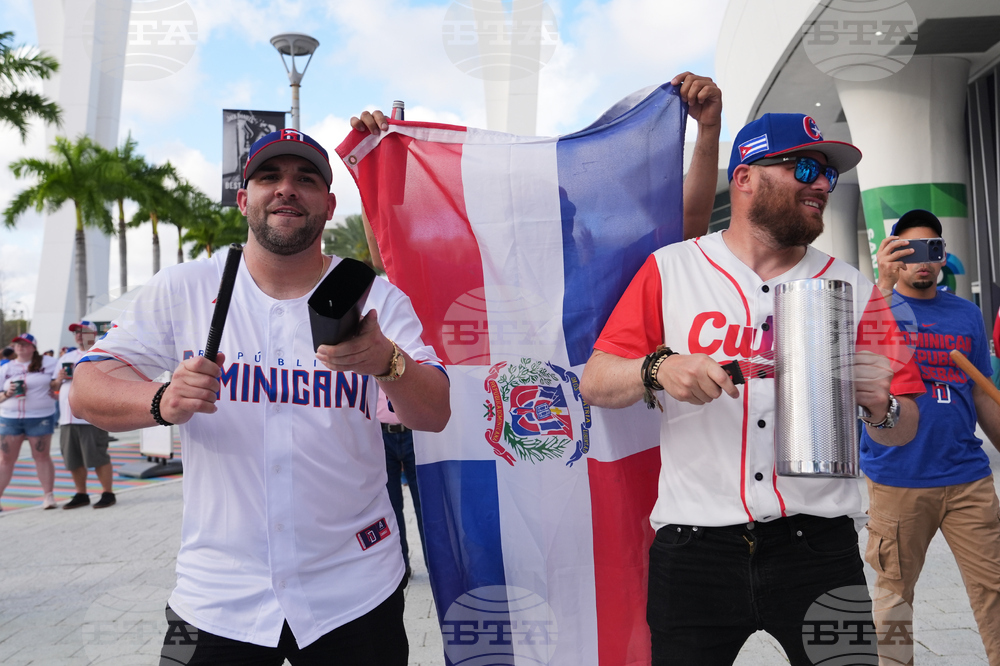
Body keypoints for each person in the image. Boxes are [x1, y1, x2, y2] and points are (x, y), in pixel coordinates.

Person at [71, 129, 451, 665]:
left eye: (306, 180)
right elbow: (85, 388)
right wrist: (161, 400)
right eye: (269, 177)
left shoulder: (374, 297)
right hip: (213, 594)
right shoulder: (183, 287)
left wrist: (387, 361)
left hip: (356, 589)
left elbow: (434, 412)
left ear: (329, 202)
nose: (286, 190)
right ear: (243, 198)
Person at [578, 112, 926, 665]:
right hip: (696, 548)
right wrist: (659, 367)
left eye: (829, 177)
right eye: (805, 168)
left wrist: (880, 405)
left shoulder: (853, 287)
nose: (821, 185)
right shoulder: (672, 269)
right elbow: (595, 379)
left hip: (818, 547)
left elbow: (903, 429)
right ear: (744, 178)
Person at [866, 208, 1000, 666]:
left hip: (968, 477)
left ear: (944, 256)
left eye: (933, 250)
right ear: (892, 255)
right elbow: (856, 371)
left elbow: (982, 396)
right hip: (898, 478)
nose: (922, 261)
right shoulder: (875, 308)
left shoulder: (966, 316)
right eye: (910, 250)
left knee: (995, 590)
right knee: (894, 600)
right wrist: (881, 286)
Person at [51, 321, 115, 509]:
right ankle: (81, 493)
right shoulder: (66, 357)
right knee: (73, 458)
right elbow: (53, 385)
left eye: (83, 332)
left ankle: (108, 493)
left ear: (93, 333)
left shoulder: (102, 353)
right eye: (76, 332)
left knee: (97, 455)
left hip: (92, 414)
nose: (79, 335)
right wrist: (59, 379)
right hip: (67, 417)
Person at [0, 333, 59, 510]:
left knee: (41, 456)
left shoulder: (49, 363)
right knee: (5, 459)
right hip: (10, 417)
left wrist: (56, 392)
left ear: (33, 347)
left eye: (25, 344)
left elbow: (59, 384)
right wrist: (7, 393)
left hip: (40, 416)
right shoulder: (6, 367)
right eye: (17, 344)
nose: (20, 347)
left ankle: (48, 496)